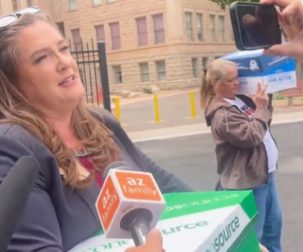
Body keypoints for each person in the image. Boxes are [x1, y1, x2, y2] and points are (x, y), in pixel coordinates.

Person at [0, 7, 191, 251]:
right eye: (41, 58)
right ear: (13, 83)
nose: (64, 62)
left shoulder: (100, 121)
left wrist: (235, 223)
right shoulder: (11, 147)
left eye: (63, 48)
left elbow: (164, 184)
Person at [200, 59, 282, 252]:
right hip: (248, 182)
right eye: (231, 80)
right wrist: (261, 108)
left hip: (265, 175)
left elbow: (264, 122)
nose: (237, 83)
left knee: (273, 231)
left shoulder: (240, 100)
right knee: (254, 240)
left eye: (237, 78)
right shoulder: (222, 114)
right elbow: (251, 136)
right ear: (215, 83)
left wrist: (264, 101)